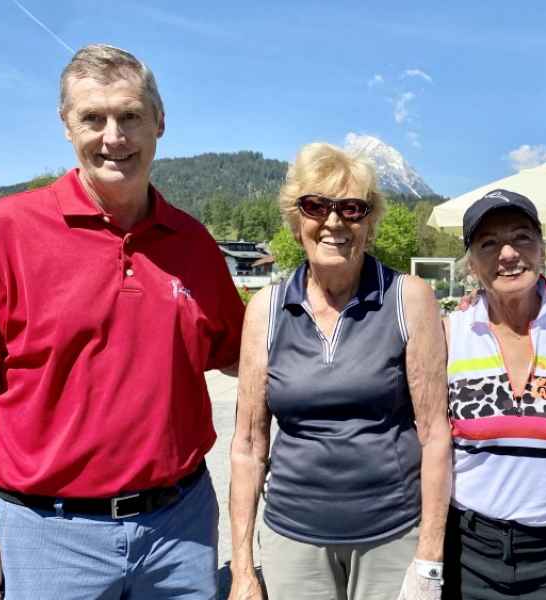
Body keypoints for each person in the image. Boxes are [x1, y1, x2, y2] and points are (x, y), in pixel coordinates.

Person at [0, 44, 245, 599]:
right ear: (66, 125)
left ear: (159, 122)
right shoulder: (5, 232)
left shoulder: (193, 243)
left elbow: (242, 355)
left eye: (130, 116)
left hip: (180, 529)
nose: (114, 137)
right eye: (93, 118)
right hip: (48, 534)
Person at [228, 142, 452, 600]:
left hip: (392, 535)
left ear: (369, 225)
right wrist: (243, 570)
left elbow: (434, 434)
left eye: (352, 208)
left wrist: (429, 558)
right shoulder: (267, 310)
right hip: (293, 539)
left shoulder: (408, 298)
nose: (334, 221)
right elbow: (248, 446)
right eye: (316, 206)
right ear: (297, 223)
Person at [443, 189, 546, 599]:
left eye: (521, 237)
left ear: (542, 249)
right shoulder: (449, 335)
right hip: (470, 550)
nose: (508, 254)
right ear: (471, 263)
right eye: (489, 243)